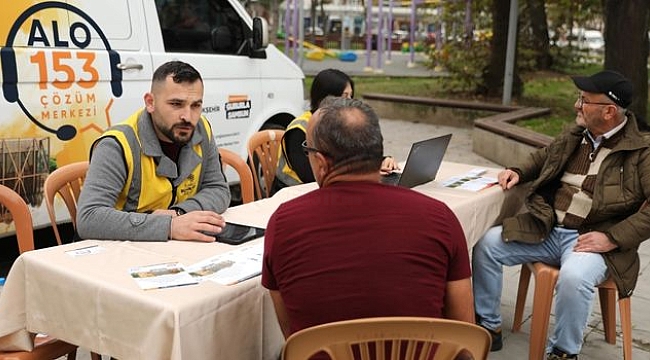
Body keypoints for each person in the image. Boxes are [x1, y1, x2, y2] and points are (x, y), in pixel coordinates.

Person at [262, 97, 474, 341]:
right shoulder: (441, 218)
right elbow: (464, 335)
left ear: (320, 163)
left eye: (307, 150)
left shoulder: (283, 224)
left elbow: (292, 334)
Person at [472, 70, 650, 360]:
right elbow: (543, 157)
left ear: (608, 111)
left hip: (592, 239)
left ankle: (563, 352)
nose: (576, 106)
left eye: (584, 100)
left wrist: (612, 238)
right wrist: (517, 171)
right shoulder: (577, 134)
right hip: (548, 227)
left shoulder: (642, 149)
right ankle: (488, 327)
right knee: (487, 245)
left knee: (574, 277)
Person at [77, 61, 230, 242]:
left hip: (175, 250)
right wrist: (168, 226)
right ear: (150, 102)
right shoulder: (117, 144)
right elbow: (89, 218)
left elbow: (219, 189)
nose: (188, 117)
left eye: (195, 105)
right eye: (176, 104)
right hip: (119, 253)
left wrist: (179, 213)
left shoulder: (201, 127)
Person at [271, 68, 397, 195]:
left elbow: (354, 154)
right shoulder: (299, 129)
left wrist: (377, 163)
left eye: (351, 96)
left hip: (331, 191)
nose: (349, 102)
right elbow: (310, 175)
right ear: (324, 97)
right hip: (291, 193)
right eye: (344, 96)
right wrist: (363, 172)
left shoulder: (343, 124)